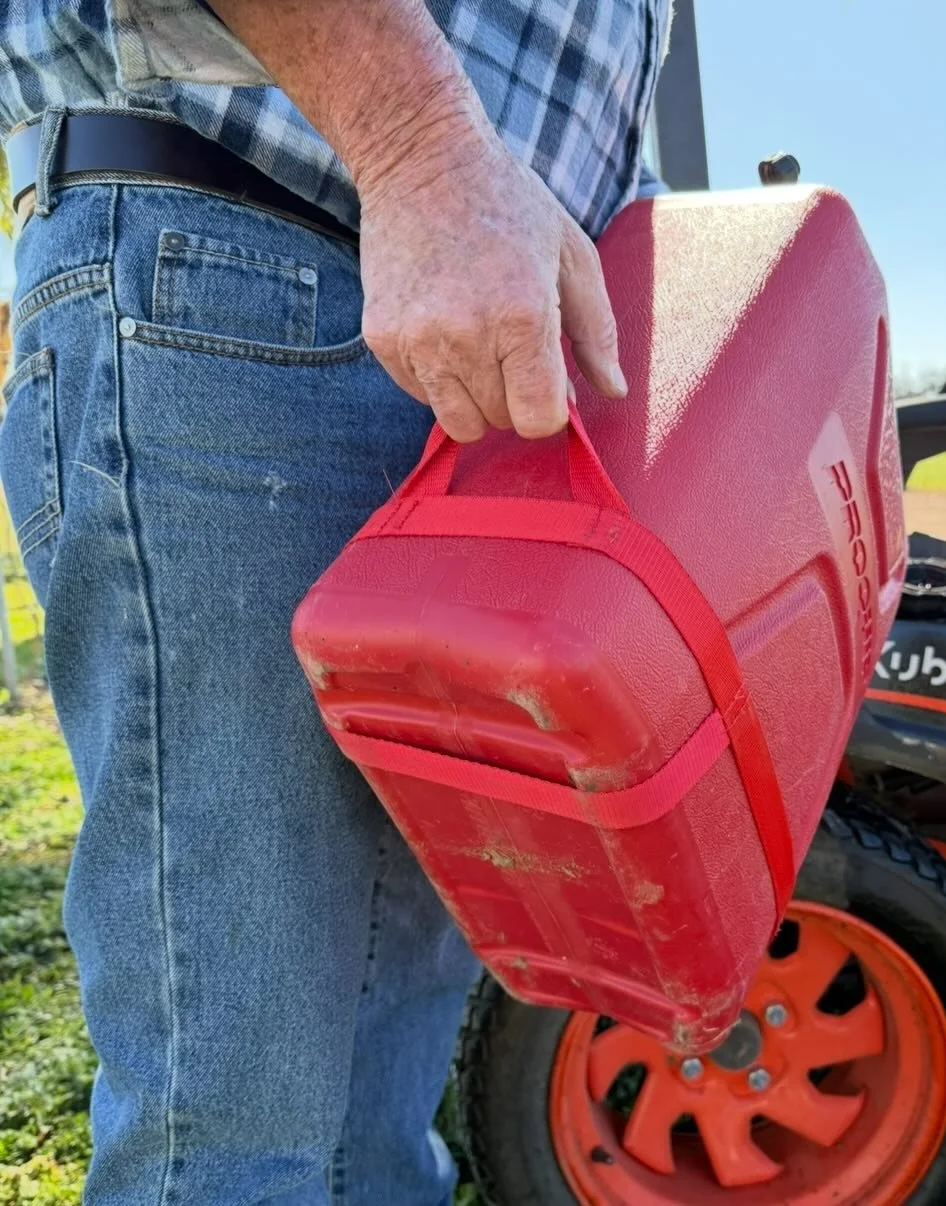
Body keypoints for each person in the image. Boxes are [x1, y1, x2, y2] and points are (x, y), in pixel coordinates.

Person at [0, 2, 668, 1202]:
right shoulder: (408, 156)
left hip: (464, 354)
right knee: (230, 1119)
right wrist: (421, 144)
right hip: (251, 252)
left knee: (390, 1066)